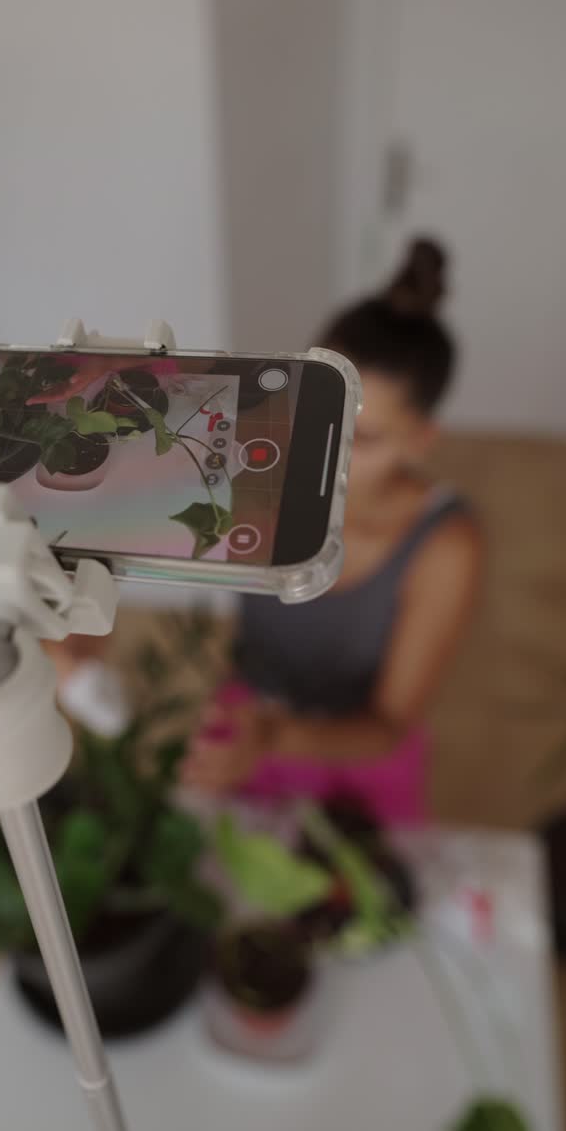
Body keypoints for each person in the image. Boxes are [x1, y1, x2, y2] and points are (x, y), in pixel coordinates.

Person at [182, 237, 482, 823]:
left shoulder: (446, 546)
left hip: (355, 755)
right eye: (319, 408)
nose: (325, 449)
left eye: (365, 440)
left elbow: (390, 724)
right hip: (247, 719)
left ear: (421, 442)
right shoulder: (257, 464)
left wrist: (274, 736)